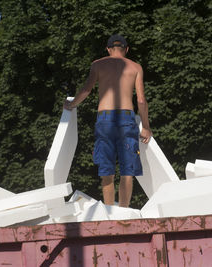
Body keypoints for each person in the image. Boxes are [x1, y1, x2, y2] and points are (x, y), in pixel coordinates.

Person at [64, 34, 151, 207]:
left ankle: (110, 214)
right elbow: (141, 100)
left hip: (105, 119)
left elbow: (86, 90)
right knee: (127, 171)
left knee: (107, 171)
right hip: (126, 118)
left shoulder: (97, 65)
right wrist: (146, 127)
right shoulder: (135, 67)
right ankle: (123, 213)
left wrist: (71, 104)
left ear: (108, 49)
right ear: (126, 49)